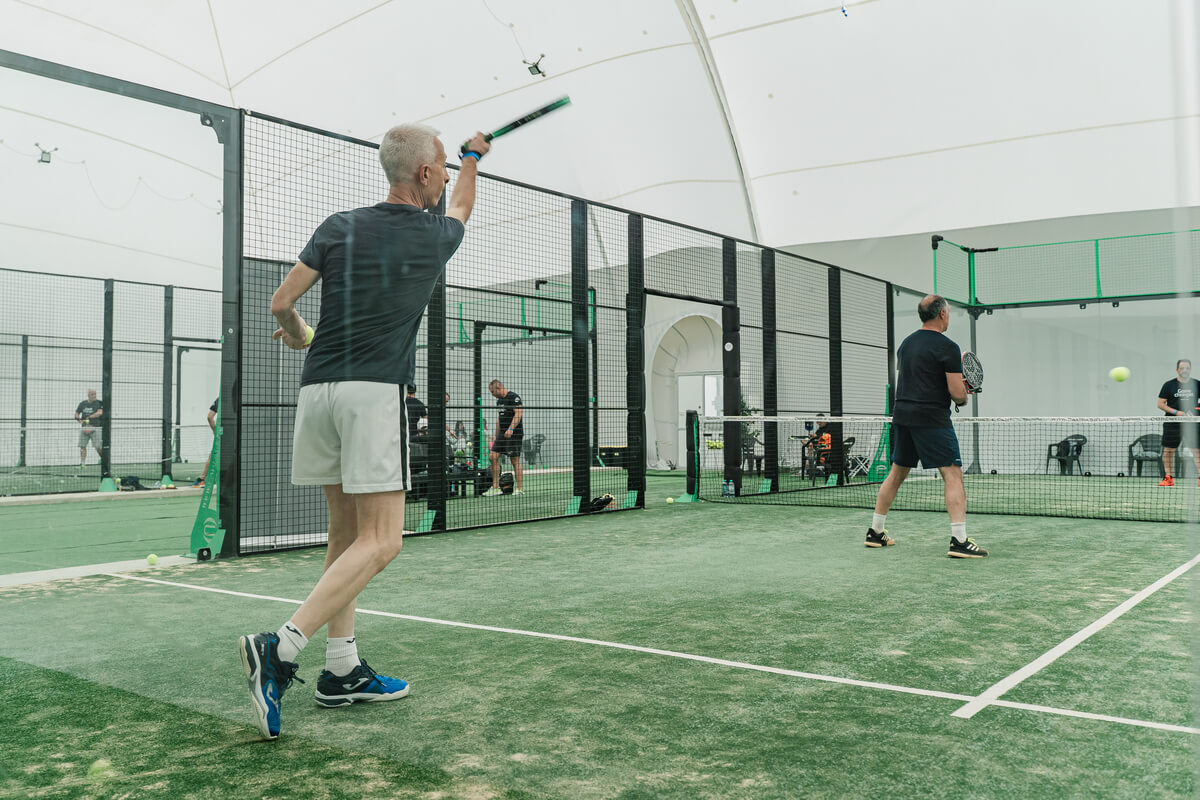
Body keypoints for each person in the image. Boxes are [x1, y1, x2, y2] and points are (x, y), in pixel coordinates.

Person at [237, 123, 491, 740]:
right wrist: (474, 158)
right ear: (427, 173)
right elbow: (462, 203)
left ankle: (342, 668)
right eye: (442, 167)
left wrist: (301, 334)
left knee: (348, 534)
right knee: (384, 540)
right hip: (372, 394)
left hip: (317, 391)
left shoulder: (337, 225)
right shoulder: (435, 233)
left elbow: (279, 305)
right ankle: (282, 648)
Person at [866, 295, 987, 558]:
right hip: (931, 419)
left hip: (902, 416)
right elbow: (957, 394)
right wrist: (965, 395)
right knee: (953, 474)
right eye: (949, 312)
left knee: (896, 474)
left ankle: (875, 532)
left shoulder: (906, 344)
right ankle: (959, 541)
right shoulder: (948, 347)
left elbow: (920, 378)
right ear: (942, 314)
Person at [1156, 358, 1200, 487]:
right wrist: (1177, 413)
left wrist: (1196, 411)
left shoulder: (1197, 384)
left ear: (1190, 369)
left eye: (1187, 368)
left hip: (1193, 423)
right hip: (1173, 422)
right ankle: (1168, 478)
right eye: (1182, 368)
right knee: (1169, 450)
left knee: (1197, 450)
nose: (1185, 370)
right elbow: (1160, 404)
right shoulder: (1169, 385)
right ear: (1177, 370)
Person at [482, 379, 523, 496]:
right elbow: (499, 419)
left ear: (498, 388)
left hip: (514, 433)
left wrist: (511, 428)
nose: (492, 394)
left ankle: (519, 489)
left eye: (493, 392)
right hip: (502, 435)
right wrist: (496, 436)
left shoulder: (513, 397)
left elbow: (519, 413)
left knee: (514, 460)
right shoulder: (499, 401)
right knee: (492, 456)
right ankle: (495, 488)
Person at [74, 389, 103, 467]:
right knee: (82, 446)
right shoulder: (83, 403)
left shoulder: (99, 403)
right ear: (88, 395)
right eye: (92, 394)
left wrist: (89, 417)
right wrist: (79, 419)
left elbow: (100, 413)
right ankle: (82, 463)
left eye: (95, 394)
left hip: (96, 427)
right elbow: (77, 413)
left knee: (98, 446)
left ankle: (103, 459)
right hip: (85, 428)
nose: (94, 396)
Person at [195, 397, 218, 486]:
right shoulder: (239, 396)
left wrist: (215, 430)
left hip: (221, 431)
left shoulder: (220, 399)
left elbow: (210, 417)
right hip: (235, 430)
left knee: (213, 455)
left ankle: (202, 479)